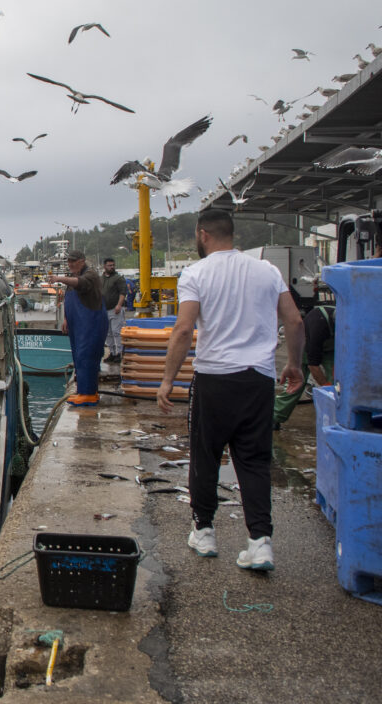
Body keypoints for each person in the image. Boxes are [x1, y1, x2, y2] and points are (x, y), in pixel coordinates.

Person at [157, 210, 304, 572]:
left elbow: (183, 329)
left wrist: (167, 380)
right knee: (254, 461)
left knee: (205, 457)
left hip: (214, 379)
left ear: (202, 234)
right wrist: (294, 365)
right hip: (258, 379)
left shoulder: (196, 273)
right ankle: (260, 542)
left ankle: (204, 531)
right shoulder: (267, 270)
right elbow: (295, 319)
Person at [48, 249, 107, 406]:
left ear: (82, 261)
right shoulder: (74, 277)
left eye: (73, 261)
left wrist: (59, 278)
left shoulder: (91, 275)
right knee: (78, 357)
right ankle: (83, 390)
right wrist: (66, 319)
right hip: (77, 325)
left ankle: (88, 394)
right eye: (69, 262)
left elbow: (80, 284)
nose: (70, 264)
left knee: (87, 355)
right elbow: (69, 299)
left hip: (91, 323)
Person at [273, 302, 335, 429]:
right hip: (305, 345)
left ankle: (337, 416)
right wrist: (327, 388)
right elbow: (314, 367)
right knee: (294, 384)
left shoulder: (347, 319)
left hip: (330, 347)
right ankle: (274, 417)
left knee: (338, 381)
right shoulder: (318, 328)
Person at [101, 258, 127, 363]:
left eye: (113, 265)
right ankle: (112, 352)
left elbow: (123, 292)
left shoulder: (118, 278)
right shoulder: (101, 278)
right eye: (109, 265)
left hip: (115, 309)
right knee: (108, 333)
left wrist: (119, 305)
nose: (112, 267)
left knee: (116, 332)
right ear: (104, 266)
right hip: (104, 310)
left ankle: (119, 353)